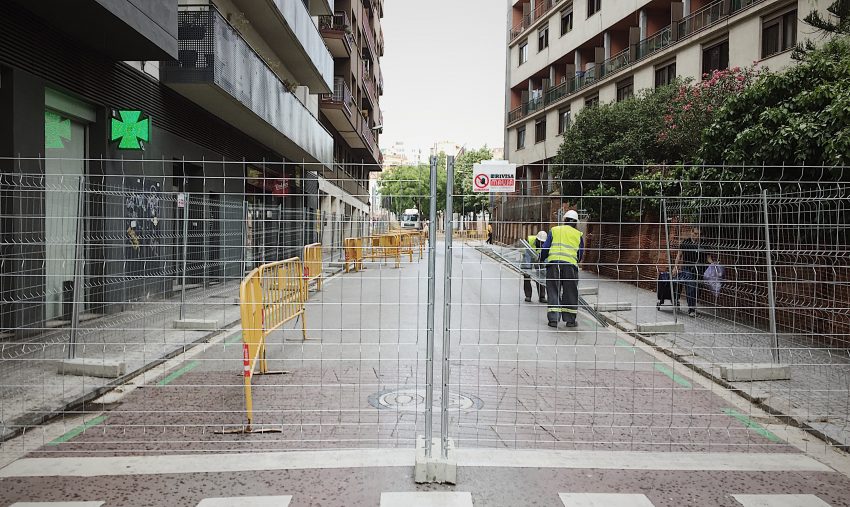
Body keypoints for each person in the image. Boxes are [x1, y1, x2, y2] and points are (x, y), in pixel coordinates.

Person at [540, 210, 584, 328]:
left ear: (564, 220)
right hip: (570, 266)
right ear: (575, 223)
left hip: (554, 265)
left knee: (554, 290)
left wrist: (542, 258)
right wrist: (574, 262)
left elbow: (545, 248)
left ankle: (553, 320)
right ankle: (570, 320)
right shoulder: (578, 235)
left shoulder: (554, 230)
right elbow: (580, 254)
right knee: (570, 292)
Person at [673, 226, 714, 317]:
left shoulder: (705, 244)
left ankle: (693, 306)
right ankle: (691, 309)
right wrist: (675, 267)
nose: (697, 236)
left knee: (698, 289)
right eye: (695, 233)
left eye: (699, 234)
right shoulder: (685, 242)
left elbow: (709, 258)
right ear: (691, 233)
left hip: (700, 269)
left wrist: (714, 266)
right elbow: (679, 256)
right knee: (691, 286)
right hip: (688, 268)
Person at [522, 231, 548, 303]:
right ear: (537, 240)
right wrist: (527, 269)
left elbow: (546, 257)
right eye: (540, 242)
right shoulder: (530, 241)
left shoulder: (546, 244)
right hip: (529, 256)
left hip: (539, 257)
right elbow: (527, 256)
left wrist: (545, 268)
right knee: (527, 275)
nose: (542, 244)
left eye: (543, 243)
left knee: (541, 274)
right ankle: (528, 296)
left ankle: (542, 296)